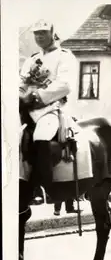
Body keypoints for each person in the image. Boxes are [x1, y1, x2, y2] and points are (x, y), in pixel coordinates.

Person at [19, 19, 78, 199]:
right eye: (36, 33)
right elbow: (21, 83)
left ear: (52, 34)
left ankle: (41, 186)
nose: (39, 36)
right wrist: (19, 95)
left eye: (43, 32)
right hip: (27, 108)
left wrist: (37, 96)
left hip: (52, 109)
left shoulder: (65, 56)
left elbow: (65, 85)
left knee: (41, 136)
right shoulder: (32, 60)